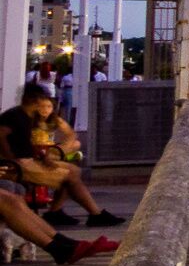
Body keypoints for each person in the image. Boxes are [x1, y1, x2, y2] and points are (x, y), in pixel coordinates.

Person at [5, 83, 112, 226]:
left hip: (32, 159)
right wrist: (10, 159)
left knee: (74, 170)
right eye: (38, 103)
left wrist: (49, 155)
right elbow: (2, 136)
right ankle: (94, 214)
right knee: (70, 175)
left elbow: (69, 135)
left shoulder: (27, 116)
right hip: (20, 164)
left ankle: (58, 212)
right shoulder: (15, 116)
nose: (42, 108)